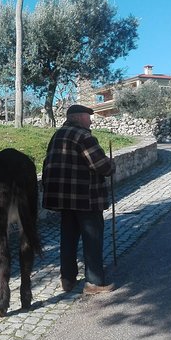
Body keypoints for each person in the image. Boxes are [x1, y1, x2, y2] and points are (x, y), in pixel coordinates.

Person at [41, 104, 116, 295]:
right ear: (79, 118)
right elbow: (101, 166)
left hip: (64, 199)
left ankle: (68, 279)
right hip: (86, 198)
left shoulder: (57, 135)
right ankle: (94, 283)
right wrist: (111, 165)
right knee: (92, 239)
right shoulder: (84, 136)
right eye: (88, 117)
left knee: (68, 239)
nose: (90, 121)